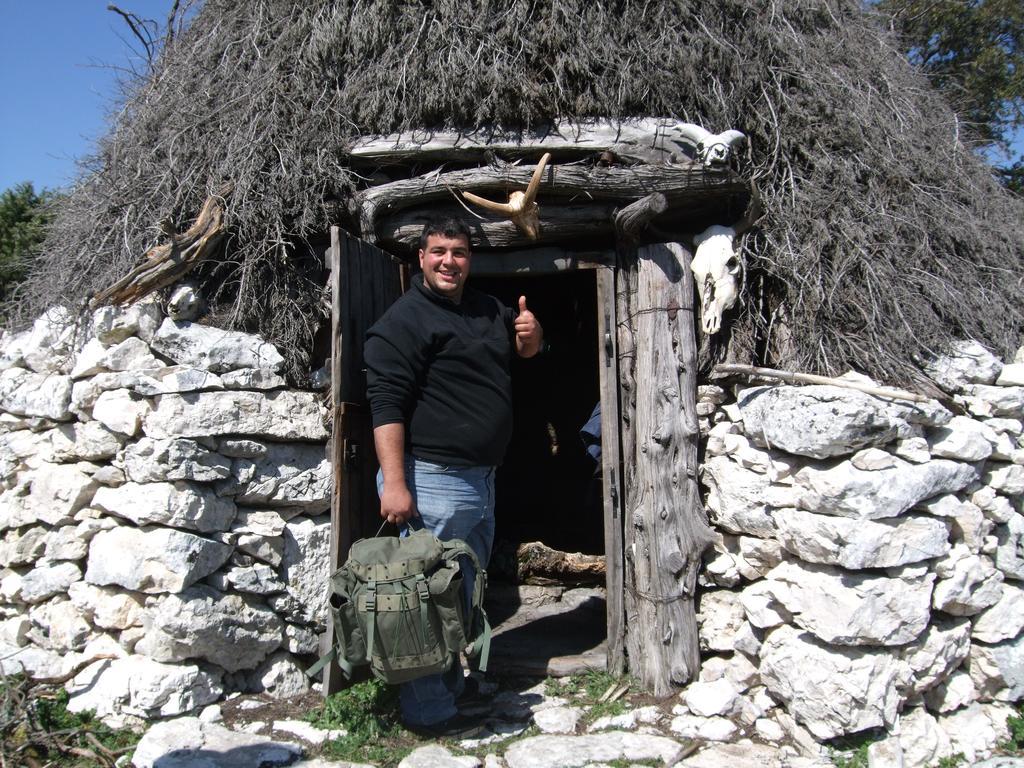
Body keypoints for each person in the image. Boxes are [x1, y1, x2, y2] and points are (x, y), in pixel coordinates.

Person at [364, 218, 543, 737]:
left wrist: (534, 337)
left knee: (460, 594)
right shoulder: (404, 321)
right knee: (423, 599)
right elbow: (386, 407)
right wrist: (395, 483)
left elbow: (527, 350)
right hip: (431, 479)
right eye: (438, 251)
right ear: (420, 258)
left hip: (480, 480)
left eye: (459, 252)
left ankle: (451, 688)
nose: (449, 261)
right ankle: (428, 713)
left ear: (471, 259)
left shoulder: (488, 309)